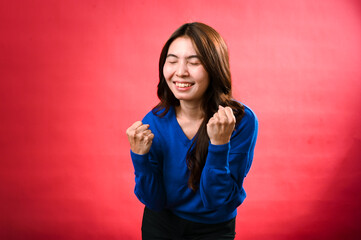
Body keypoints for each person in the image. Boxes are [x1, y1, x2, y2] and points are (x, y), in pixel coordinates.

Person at [126, 22, 258, 240]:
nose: (180, 72)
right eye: (172, 61)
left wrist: (219, 144)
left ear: (215, 67)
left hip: (214, 229)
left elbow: (219, 201)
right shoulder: (154, 121)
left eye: (194, 62)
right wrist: (139, 157)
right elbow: (153, 201)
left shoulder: (239, 120)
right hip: (161, 224)